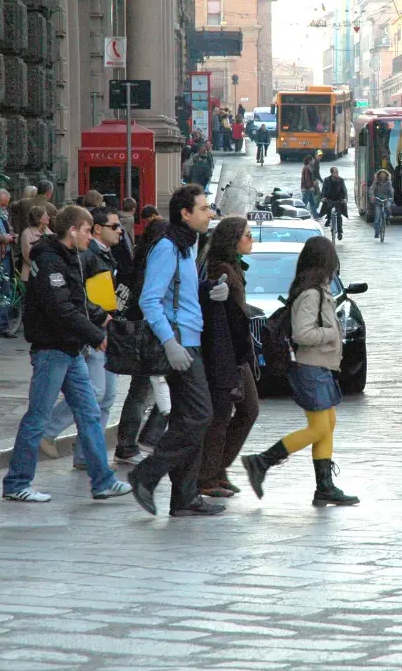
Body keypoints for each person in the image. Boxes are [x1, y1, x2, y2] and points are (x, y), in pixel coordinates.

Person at [1, 206, 132, 503]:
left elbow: (78, 300)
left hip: (69, 349)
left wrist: (100, 318)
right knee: (38, 417)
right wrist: (96, 334)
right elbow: (61, 309)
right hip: (52, 350)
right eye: (87, 230)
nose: (90, 235)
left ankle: (102, 481)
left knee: (88, 412)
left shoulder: (67, 258)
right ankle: (17, 482)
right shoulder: (50, 262)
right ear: (72, 230)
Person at [127, 184, 229, 518]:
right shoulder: (168, 247)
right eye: (203, 209)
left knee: (191, 418)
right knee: (200, 415)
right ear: (185, 214)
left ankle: (184, 498)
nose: (208, 214)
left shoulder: (187, 246)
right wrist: (170, 343)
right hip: (179, 344)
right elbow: (149, 299)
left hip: (190, 340)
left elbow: (181, 292)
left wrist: (210, 289)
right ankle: (147, 474)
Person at [241, 237, 359, 507]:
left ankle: (325, 486)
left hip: (320, 366)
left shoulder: (319, 290)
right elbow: (302, 333)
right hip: (310, 367)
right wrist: (333, 333)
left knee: (327, 425)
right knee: (319, 428)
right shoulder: (311, 294)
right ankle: (262, 461)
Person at [40, 207, 125, 468]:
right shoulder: (86, 253)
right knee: (95, 393)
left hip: (105, 329)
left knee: (107, 395)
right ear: (97, 229)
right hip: (93, 331)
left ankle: (87, 454)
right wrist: (99, 319)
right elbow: (79, 297)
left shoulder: (103, 254)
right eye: (114, 225)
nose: (120, 230)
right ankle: (47, 431)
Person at [198, 216, 260, 497]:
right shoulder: (221, 268)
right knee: (225, 413)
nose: (251, 240)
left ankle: (217, 468)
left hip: (237, 348)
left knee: (246, 410)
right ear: (233, 239)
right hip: (226, 350)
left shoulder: (233, 266)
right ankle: (208, 475)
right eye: (247, 235)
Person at [113, 215, 170, 466]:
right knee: (144, 390)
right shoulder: (154, 264)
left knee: (145, 390)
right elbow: (146, 300)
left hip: (145, 333)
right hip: (150, 335)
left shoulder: (143, 259)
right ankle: (136, 442)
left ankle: (142, 440)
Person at [0, 188, 17, 338]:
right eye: (2, 205)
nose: (4, 208)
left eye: (6, 205)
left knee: (5, 292)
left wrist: (13, 236)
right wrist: (2, 238)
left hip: (6, 256)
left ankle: (3, 326)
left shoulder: (3, 216)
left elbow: (9, 229)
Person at [20, 205, 51, 283]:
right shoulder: (27, 234)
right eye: (46, 215)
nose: (49, 217)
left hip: (46, 274)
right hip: (32, 275)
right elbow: (28, 256)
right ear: (39, 218)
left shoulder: (48, 231)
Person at [320, 167, 348, 240]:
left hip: (338, 200)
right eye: (335, 172)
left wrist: (345, 198)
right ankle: (329, 220)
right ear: (331, 173)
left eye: (337, 172)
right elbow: (323, 190)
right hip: (329, 199)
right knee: (328, 208)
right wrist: (323, 197)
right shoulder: (326, 180)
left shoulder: (341, 180)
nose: (337, 174)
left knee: (339, 215)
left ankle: (339, 232)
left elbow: (344, 190)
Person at [369, 169, 394, 238]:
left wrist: (392, 197)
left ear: (386, 175)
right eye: (381, 174)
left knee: (388, 206)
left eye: (384, 174)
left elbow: (391, 190)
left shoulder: (388, 182)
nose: (382, 176)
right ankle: (376, 232)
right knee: (377, 217)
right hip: (378, 200)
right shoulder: (376, 182)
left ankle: (388, 217)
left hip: (386, 199)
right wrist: (372, 196)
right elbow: (371, 189)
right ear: (379, 175)